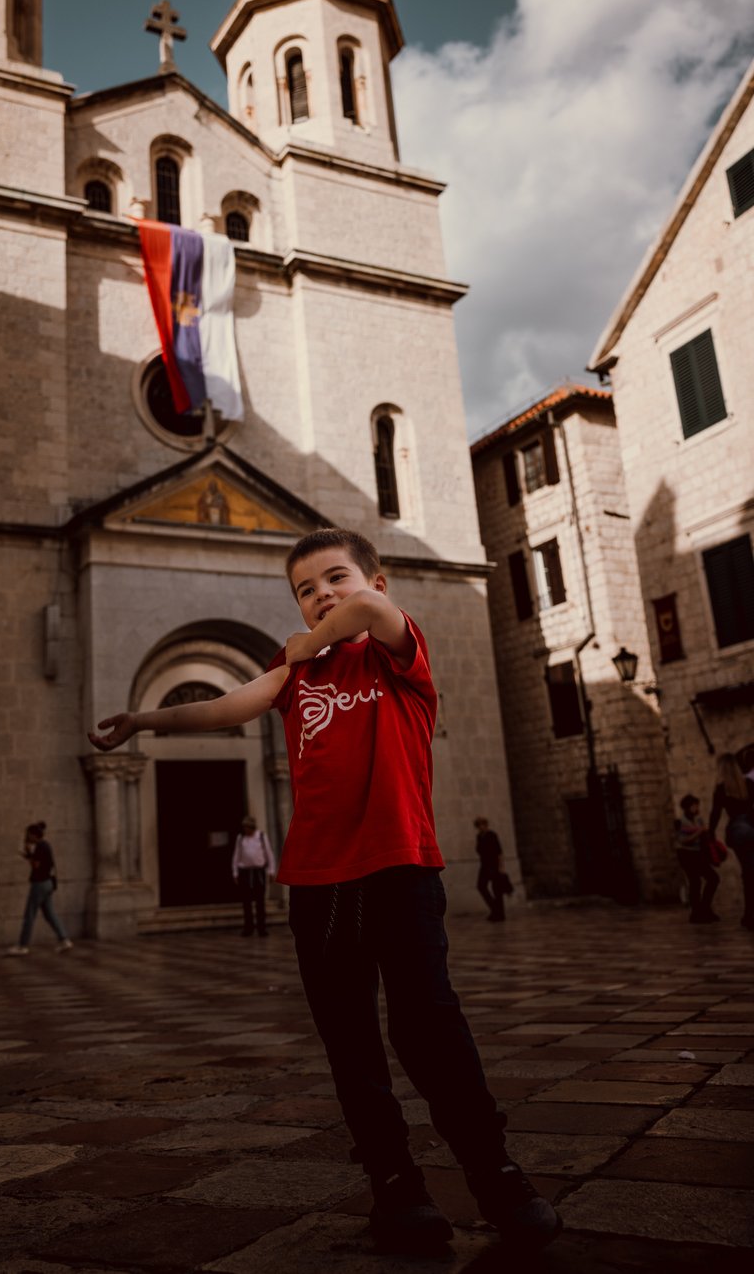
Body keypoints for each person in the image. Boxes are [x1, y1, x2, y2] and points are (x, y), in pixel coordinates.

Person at [90, 527, 560, 1251]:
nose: (321, 596)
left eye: (335, 577)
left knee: (427, 1026)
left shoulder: (399, 651)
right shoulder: (294, 672)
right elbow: (229, 705)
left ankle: (494, 1172)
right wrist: (143, 719)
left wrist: (314, 639)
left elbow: (369, 613)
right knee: (350, 1040)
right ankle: (396, 1185)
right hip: (318, 883)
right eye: (305, 590)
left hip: (401, 867)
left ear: (377, 579)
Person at [4, 821, 73, 955]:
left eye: (28, 835)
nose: (27, 837)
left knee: (29, 914)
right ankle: (64, 939)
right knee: (49, 914)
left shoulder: (41, 846)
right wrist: (30, 855)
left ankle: (23, 945)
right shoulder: (45, 845)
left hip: (40, 883)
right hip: (48, 883)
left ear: (33, 835)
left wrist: (28, 855)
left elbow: (36, 866)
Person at [710, 752, 754, 930]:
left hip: (737, 831)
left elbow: (715, 814)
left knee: (748, 873)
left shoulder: (721, 788)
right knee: (751, 872)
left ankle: (750, 916)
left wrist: (711, 835)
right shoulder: (749, 784)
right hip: (751, 828)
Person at [674, 794, 720, 924]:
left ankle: (705, 908)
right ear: (687, 807)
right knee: (695, 882)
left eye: (697, 805)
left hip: (699, 854)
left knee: (713, 878)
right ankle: (696, 913)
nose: (696, 808)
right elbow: (682, 840)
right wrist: (699, 832)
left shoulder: (698, 820)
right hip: (686, 854)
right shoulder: (680, 822)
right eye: (694, 806)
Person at [232, 815, 276, 935]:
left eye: (248, 827)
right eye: (244, 827)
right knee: (246, 902)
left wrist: (271, 871)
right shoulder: (240, 838)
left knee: (260, 901)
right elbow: (236, 856)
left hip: (258, 873)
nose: (246, 830)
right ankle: (248, 927)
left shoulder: (261, 837)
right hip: (245, 872)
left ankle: (261, 928)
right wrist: (235, 872)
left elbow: (269, 854)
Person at [474, 817, 506, 922]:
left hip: (494, 865)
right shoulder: (479, 837)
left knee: (497, 890)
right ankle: (495, 909)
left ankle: (499, 913)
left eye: (483, 824)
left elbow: (499, 852)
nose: (481, 827)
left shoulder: (492, 835)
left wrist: (501, 866)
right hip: (484, 865)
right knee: (481, 886)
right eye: (479, 825)